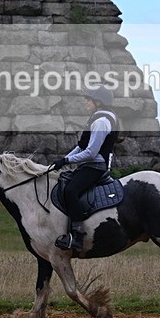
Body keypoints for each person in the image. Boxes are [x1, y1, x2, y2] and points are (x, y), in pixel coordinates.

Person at [50, 86, 119, 252]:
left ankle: (78, 236)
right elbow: (81, 147)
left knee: (71, 191)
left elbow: (91, 153)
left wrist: (66, 160)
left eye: (88, 99)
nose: (86, 102)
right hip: (90, 164)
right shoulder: (97, 118)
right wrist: (62, 161)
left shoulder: (101, 122)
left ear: (98, 102)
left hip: (96, 166)